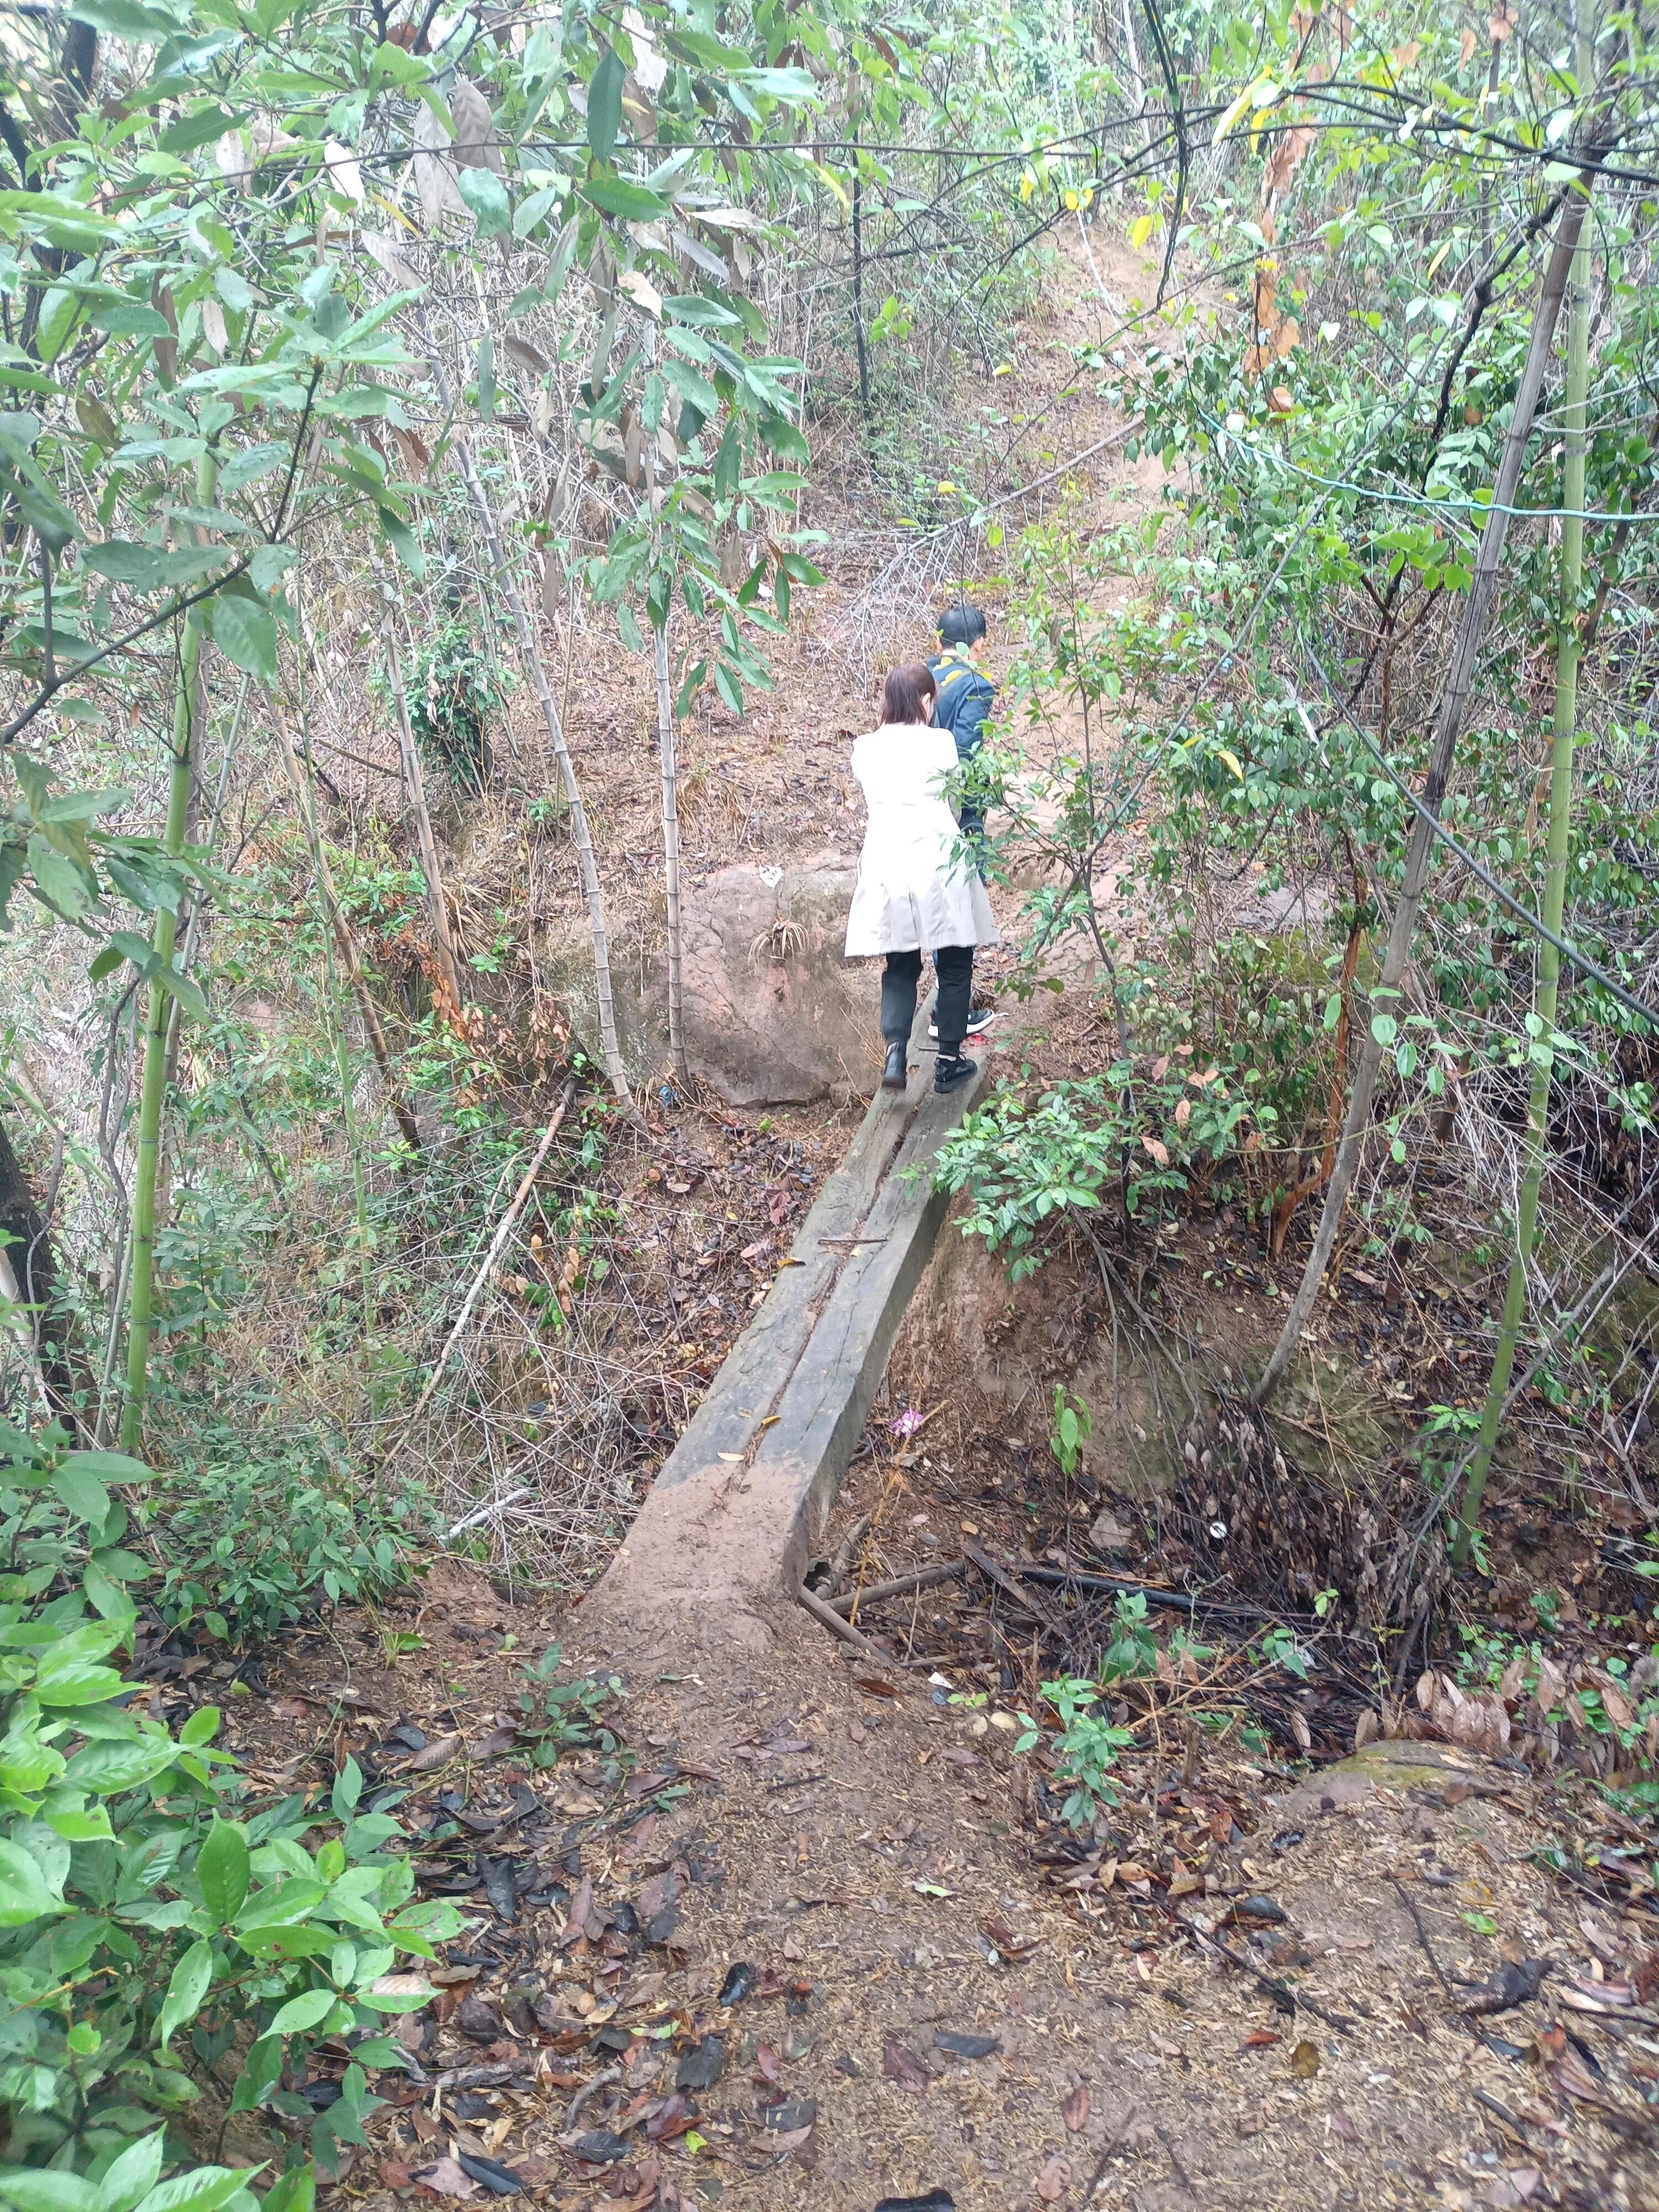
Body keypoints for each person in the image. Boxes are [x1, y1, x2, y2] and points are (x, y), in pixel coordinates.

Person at [844, 660, 999, 1095]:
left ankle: (896, 1051)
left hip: (886, 860)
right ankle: (948, 1062)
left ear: (886, 701)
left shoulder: (864, 749)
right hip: (936, 855)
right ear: (927, 701)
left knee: (900, 963)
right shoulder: (942, 743)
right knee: (954, 961)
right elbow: (953, 795)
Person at [927, 602, 997, 1042]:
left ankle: (944, 1001)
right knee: (959, 906)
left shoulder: (922, 678)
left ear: (939, 643)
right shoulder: (974, 684)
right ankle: (949, 1012)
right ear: (978, 645)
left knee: (938, 908)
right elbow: (966, 752)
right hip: (954, 812)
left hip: (917, 807)